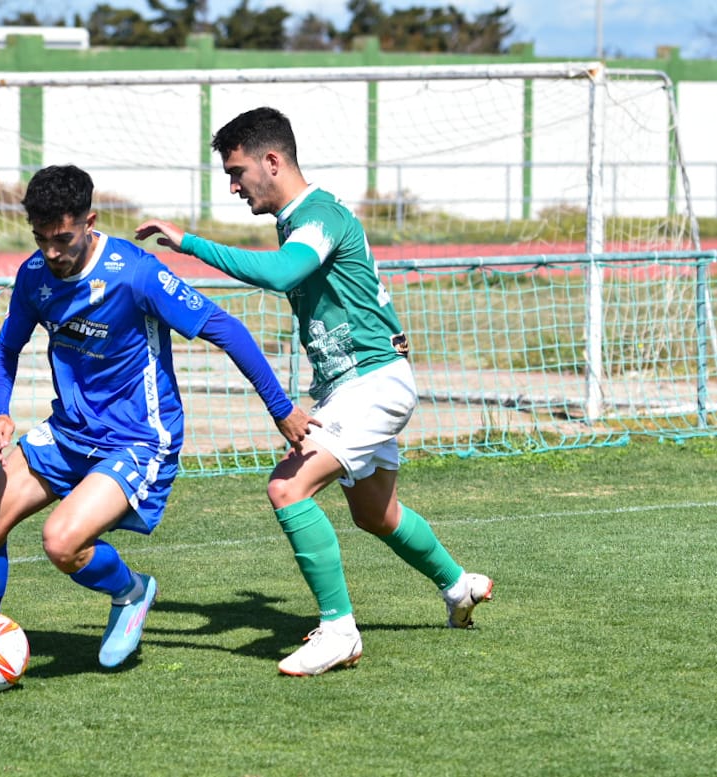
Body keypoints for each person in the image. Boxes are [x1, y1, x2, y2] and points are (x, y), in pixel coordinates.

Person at [0, 164, 317, 674]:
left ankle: (131, 593)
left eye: (62, 238)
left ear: (89, 220)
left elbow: (225, 328)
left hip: (136, 440)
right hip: (67, 432)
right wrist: (0, 412)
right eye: (41, 239)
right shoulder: (35, 275)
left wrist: (280, 407)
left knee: (62, 542)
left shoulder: (136, 273)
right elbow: (4, 349)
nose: (52, 252)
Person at [135, 107, 492, 677]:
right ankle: (458, 586)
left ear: (271, 161)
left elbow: (281, 274)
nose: (232, 186)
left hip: (371, 382)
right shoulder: (300, 218)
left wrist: (190, 243)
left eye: (237, 171)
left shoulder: (319, 216)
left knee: (286, 486)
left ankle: (338, 631)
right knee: (377, 514)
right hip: (355, 385)